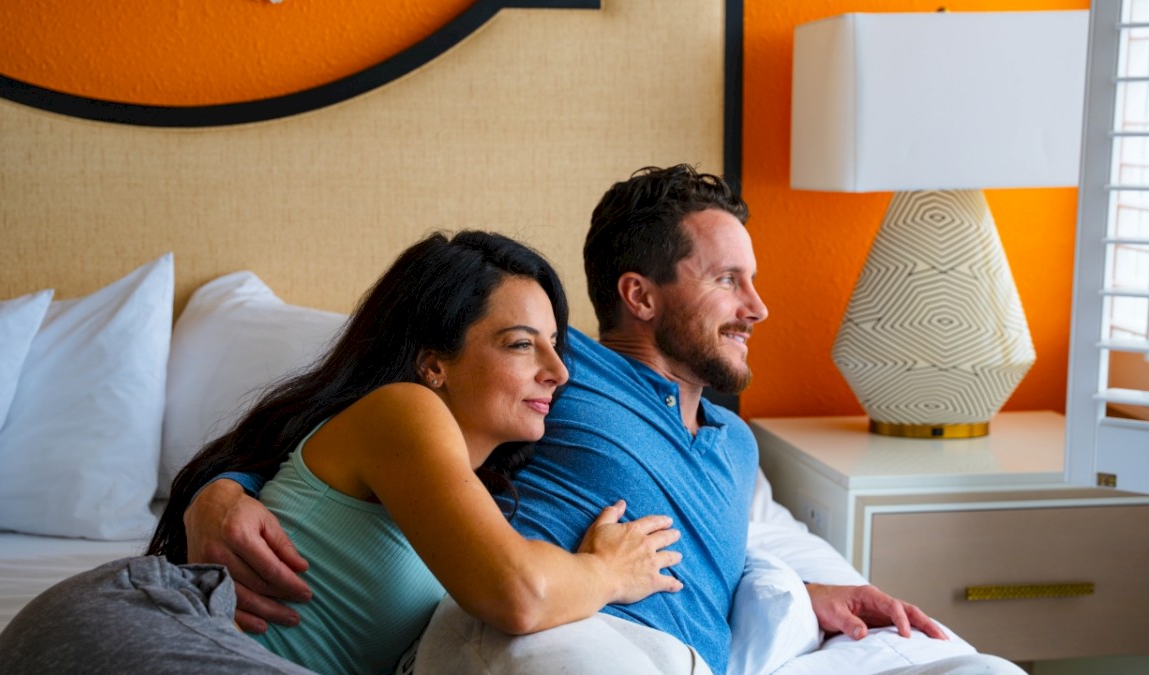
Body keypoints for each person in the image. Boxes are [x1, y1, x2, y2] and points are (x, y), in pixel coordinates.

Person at [184, 168, 1026, 675]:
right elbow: (354, 413)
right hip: (550, 635)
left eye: (753, 280)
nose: (759, 307)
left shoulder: (734, 445)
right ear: (639, 294)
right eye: (728, 280)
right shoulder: (557, 372)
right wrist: (221, 488)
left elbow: (696, 560)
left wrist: (799, 598)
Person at [0, 230, 685, 675]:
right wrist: (608, 570)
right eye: (522, 343)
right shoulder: (405, 411)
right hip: (139, 638)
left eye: (557, 345)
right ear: (432, 362)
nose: (558, 372)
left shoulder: (459, 491)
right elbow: (520, 595)